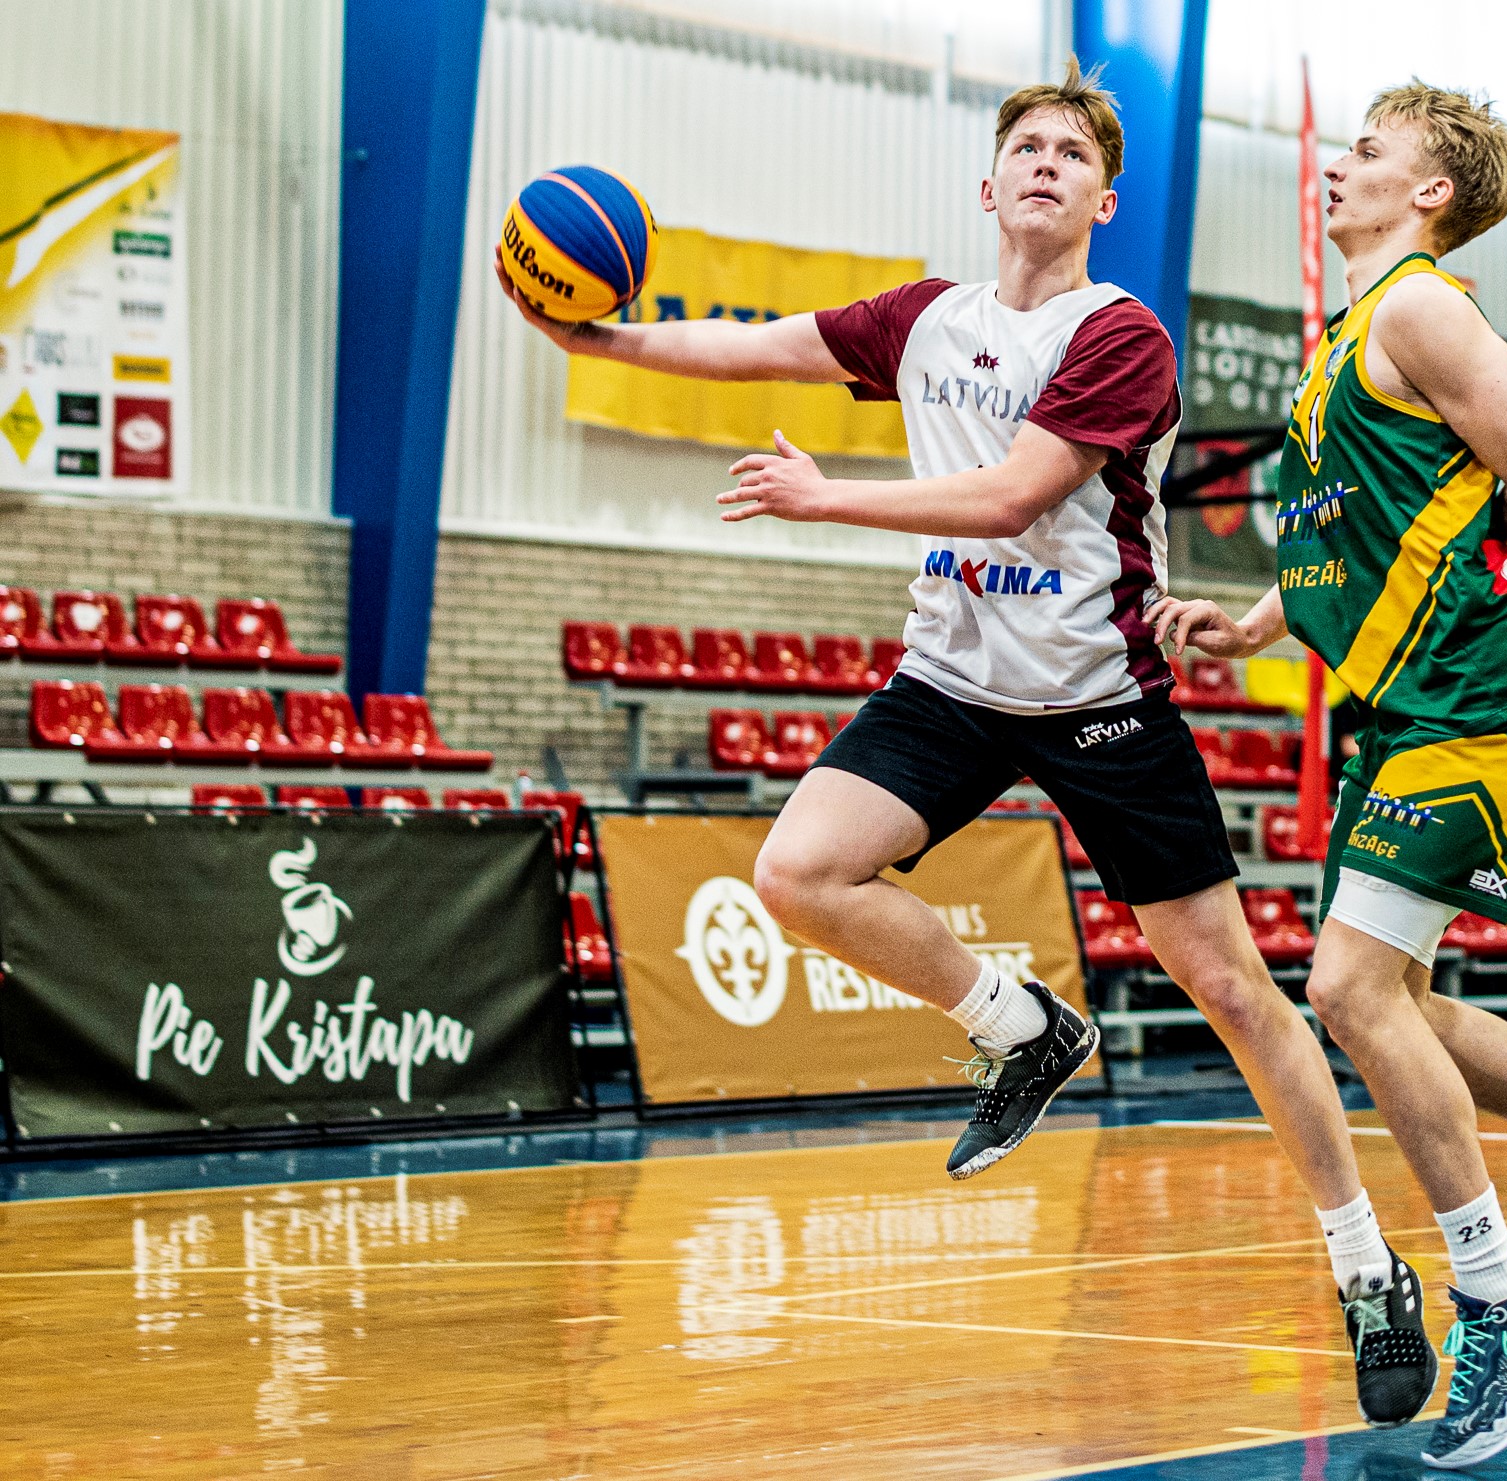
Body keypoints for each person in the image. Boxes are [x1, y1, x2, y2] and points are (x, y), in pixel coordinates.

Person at [501, 61, 1437, 1427]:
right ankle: (1024, 1024)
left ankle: (1365, 1263)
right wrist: (604, 344)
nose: (1047, 164)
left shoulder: (1124, 336)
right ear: (988, 186)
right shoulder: (921, 320)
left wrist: (829, 501)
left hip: (1098, 687)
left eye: (1072, 153)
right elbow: (756, 343)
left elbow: (1009, 500)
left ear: (1103, 199)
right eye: (1027, 148)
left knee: (1237, 994)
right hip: (952, 677)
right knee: (801, 871)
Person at [1146, 82, 1507, 1469]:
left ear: (1427, 193)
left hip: (1477, 694)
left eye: (1368, 150)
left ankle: (1501, 1293)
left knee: (1346, 991)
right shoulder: (1345, 336)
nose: (1337, 163)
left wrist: (1466, 565)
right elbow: (1368, 528)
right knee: (1397, 998)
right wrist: (1256, 622)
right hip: (1406, 704)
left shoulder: (1421, 308)